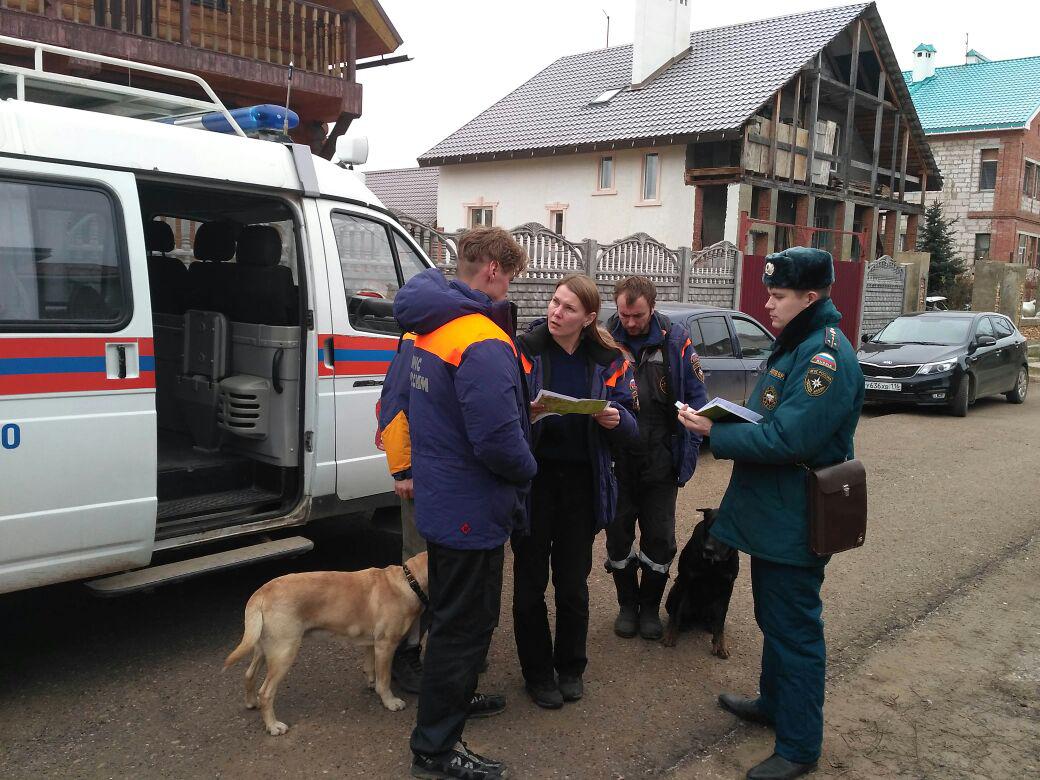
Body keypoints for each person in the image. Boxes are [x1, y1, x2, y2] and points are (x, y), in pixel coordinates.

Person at [677, 247, 864, 780]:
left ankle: (800, 746)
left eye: (778, 296)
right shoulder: (796, 344)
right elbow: (768, 413)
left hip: (797, 515)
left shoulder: (824, 355)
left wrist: (719, 432)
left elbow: (789, 436)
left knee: (795, 629)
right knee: (773, 619)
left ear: (811, 297)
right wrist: (726, 415)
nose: (768, 302)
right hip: (773, 514)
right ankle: (773, 704)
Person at [394, 227, 535, 780]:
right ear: (494, 271)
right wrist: (530, 467)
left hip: (444, 497)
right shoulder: (480, 338)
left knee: (455, 620)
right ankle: (435, 748)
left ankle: (450, 705)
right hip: (471, 509)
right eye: (512, 278)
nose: (510, 291)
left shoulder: (432, 327)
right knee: (463, 627)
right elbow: (498, 440)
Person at [513, 274, 638, 708]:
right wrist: (523, 414)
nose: (555, 312)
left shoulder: (608, 359)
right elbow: (499, 412)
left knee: (572, 584)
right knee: (529, 583)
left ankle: (570, 667)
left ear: (587, 318)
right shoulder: (525, 351)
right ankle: (536, 673)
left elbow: (633, 424)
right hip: (534, 483)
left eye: (567, 308)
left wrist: (615, 418)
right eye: (553, 302)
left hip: (582, 486)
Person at [604, 276, 709, 640]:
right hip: (617, 463)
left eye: (638, 315)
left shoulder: (675, 339)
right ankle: (626, 605)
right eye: (624, 315)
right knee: (618, 536)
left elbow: (697, 399)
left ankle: (649, 607)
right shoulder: (605, 339)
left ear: (652, 306)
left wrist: (687, 456)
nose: (631, 323)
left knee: (660, 539)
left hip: (660, 461)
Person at [377, 332, 427, 694]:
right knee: (416, 569)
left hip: (446, 474)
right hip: (422, 474)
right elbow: (395, 403)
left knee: (437, 567)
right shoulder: (418, 339)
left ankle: (433, 647)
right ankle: (403, 654)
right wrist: (403, 469)